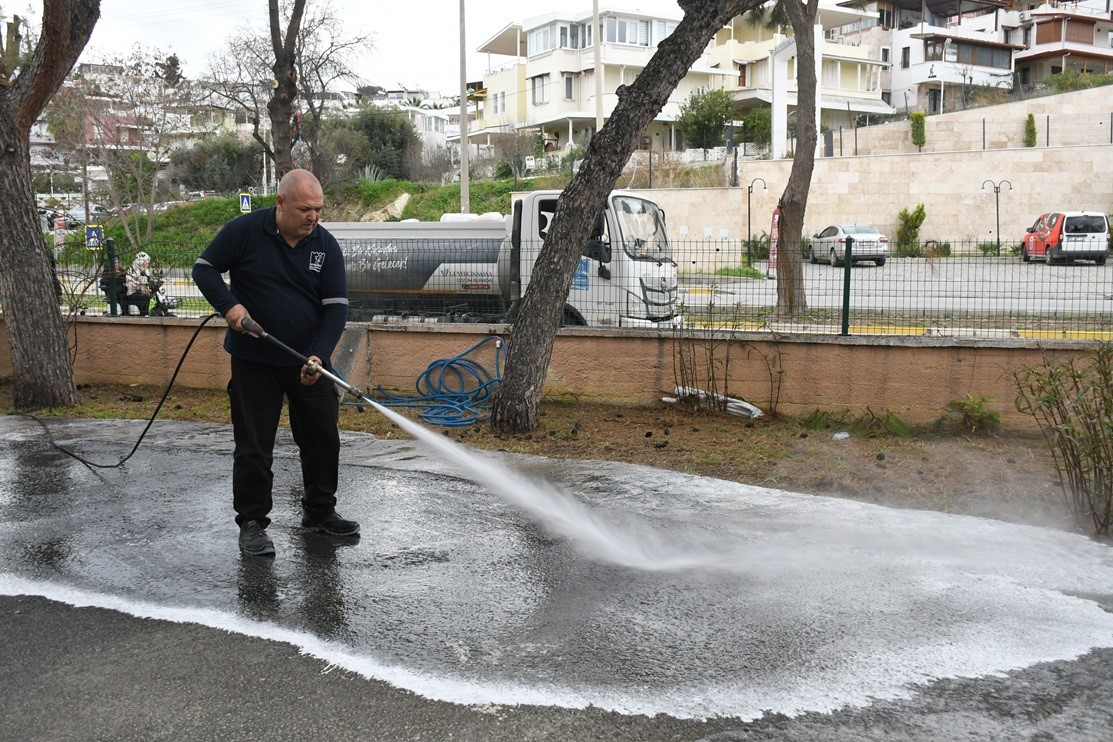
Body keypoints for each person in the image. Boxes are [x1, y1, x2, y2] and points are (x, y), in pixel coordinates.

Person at [192, 169, 355, 557]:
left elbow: (336, 309)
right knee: (254, 446)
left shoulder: (325, 246)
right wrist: (230, 306)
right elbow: (204, 268)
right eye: (305, 209)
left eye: (318, 209)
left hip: (308, 362)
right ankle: (252, 523)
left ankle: (319, 512)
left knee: (321, 438)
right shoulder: (244, 231)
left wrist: (318, 354)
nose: (313, 217)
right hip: (254, 361)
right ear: (280, 202)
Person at [126, 252, 152, 316]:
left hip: (142, 293)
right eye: (146, 262)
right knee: (144, 298)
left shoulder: (146, 271)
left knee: (148, 297)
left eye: (147, 262)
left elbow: (147, 282)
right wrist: (140, 285)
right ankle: (144, 315)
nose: (147, 264)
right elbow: (130, 286)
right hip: (132, 294)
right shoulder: (132, 270)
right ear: (140, 262)